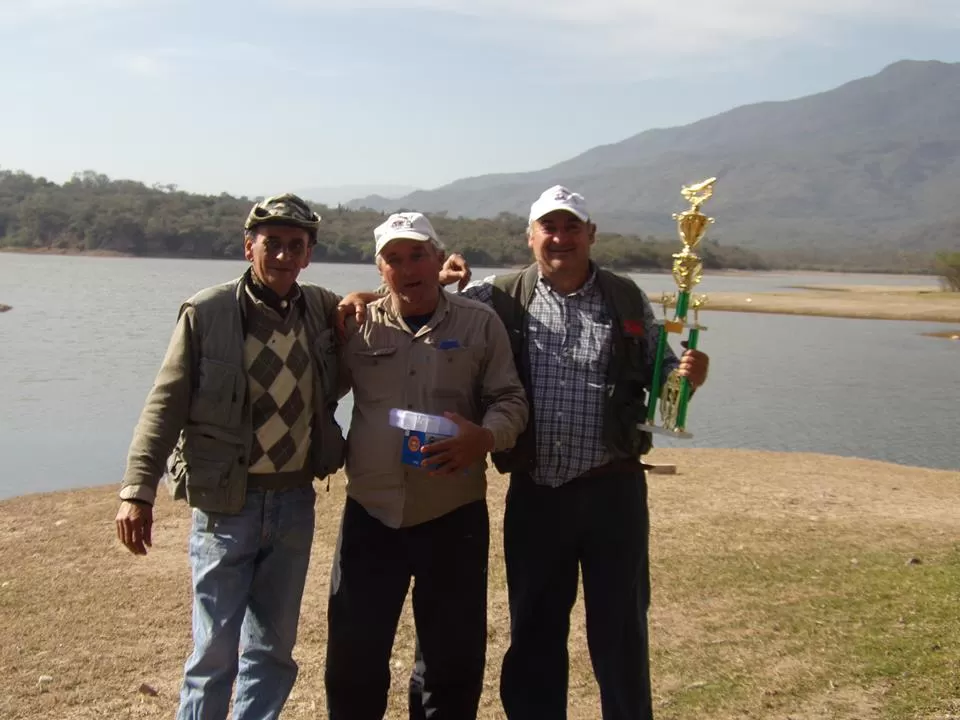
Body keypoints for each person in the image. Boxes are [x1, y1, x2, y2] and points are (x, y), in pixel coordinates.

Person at [337, 185, 709, 720]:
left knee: (621, 630)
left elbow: (665, 376)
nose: (560, 238)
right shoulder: (503, 296)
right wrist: (360, 297)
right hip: (539, 492)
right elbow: (421, 298)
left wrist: (689, 378)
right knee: (534, 631)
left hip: (615, 488)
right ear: (530, 237)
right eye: (548, 228)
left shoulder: (626, 299)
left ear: (590, 234)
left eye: (571, 227)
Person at [114, 193, 347, 720]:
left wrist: (445, 279)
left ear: (308, 254)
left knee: (272, 650)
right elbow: (164, 404)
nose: (284, 255)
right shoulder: (208, 312)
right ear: (249, 247)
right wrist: (137, 490)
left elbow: (385, 304)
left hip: (294, 503)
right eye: (273, 244)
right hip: (225, 508)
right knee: (214, 653)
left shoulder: (322, 309)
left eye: (296, 245)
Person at [324, 211, 528, 720]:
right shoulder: (356, 324)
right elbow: (319, 393)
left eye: (418, 255)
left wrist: (483, 438)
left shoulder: (479, 323)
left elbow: (510, 399)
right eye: (394, 258)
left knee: (450, 661)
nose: (407, 266)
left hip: (452, 513)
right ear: (380, 269)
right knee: (353, 657)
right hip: (370, 514)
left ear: (438, 259)